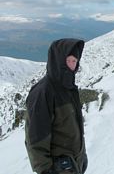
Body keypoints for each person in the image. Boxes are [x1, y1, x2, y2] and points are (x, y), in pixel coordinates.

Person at [25, 38, 88, 174]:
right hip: (57, 168)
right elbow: (36, 139)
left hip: (73, 165)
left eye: (74, 61)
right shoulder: (43, 93)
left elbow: (72, 127)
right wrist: (46, 170)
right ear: (58, 60)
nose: (72, 65)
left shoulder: (69, 88)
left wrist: (82, 155)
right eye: (68, 60)